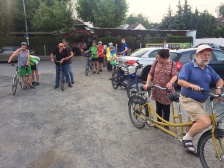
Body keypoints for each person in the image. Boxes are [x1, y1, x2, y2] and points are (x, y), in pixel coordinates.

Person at [178, 44, 223, 154]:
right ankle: (186, 139)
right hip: (188, 99)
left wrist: (218, 89)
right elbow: (180, 81)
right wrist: (191, 85)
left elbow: (220, 80)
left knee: (193, 123)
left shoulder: (208, 68)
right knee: (205, 121)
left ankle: (187, 140)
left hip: (202, 101)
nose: (207, 57)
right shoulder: (188, 66)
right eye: (204, 55)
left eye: (209, 55)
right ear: (197, 55)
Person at [143, 49, 177, 129]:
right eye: (157, 57)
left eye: (159, 58)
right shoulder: (156, 62)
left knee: (166, 108)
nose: (157, 59)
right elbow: (150, 73)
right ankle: (158, 122)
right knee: (158, 106)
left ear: (165, 58)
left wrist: (170, 82)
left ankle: (165, 124)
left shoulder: (172, 64)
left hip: (166, 90)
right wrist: (147, 83)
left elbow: (175, 75)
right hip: (157, 88)